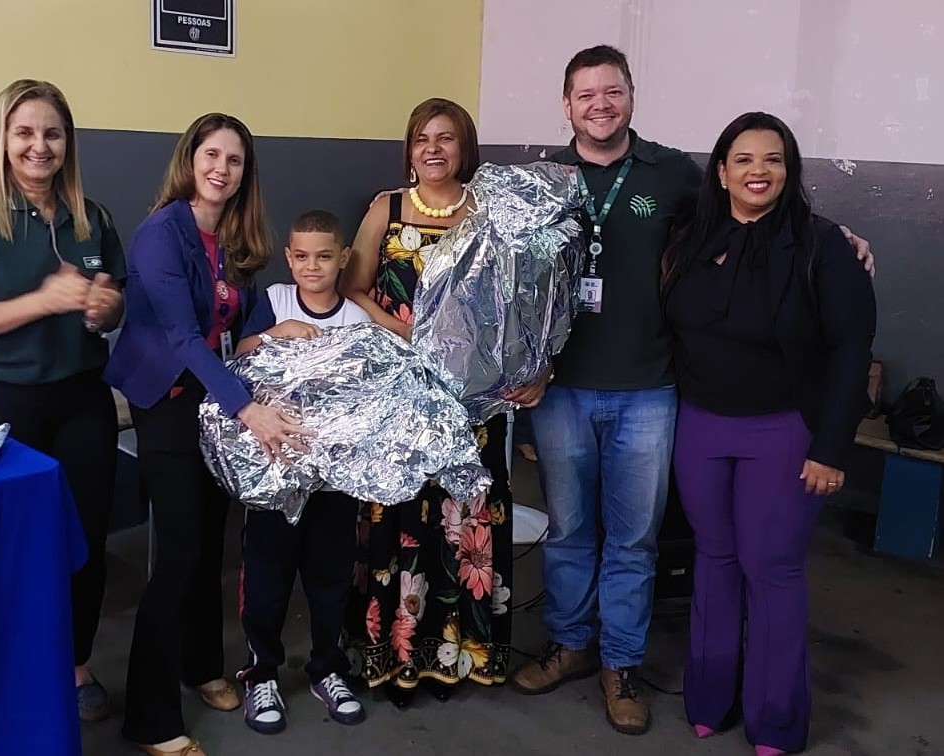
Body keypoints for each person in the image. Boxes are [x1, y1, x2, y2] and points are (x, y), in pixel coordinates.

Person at [511, 45, 876, 736]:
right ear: (566, 105)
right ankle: (569, 644)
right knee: (567, 531)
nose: (599, 105)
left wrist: (838, 238)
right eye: (585, 94)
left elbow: (755, 210)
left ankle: (622, 664)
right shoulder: (539, 182)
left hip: (650, 390)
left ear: (630, 96)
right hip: (560, 390)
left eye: (612, 91)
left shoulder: (674, 173)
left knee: (634, 540)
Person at [662, 112, 876, 756]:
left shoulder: (823, 245)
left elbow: (850, 350)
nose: (759, 171)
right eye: (744, 159)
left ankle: (776, 721)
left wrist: (831, 448)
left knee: (772, 569)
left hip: (783, 432)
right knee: (715, 560)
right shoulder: (691, 239)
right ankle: (709, 698)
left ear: (790, 170)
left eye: (773, 159)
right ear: (721, 172)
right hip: (701, 426)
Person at [104, 113, 310, 756]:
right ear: (190, 159)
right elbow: (183, 338)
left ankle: (202, 667)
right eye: (211, 154)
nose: (222, 168)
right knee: (180, 555)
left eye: (235, 160)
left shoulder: (236, 236)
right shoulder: (160, 233)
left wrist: (271, 337)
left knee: (211, 541)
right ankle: (151, 719)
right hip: (166, 397)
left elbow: (240, 326)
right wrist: (248, 410)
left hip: (212, 397)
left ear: (246, 173)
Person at [0, 78, 125, 723]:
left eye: (53, 134)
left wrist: (102, 307)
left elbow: (115, 305)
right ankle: (13, 664)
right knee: (17, 542)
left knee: (84, 539)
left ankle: (76, 664)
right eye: (26, 132)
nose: (40, 146)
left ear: (69, 142)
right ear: (3, 140)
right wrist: (44, 299)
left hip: (84, 400)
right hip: (9, 403)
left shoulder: (93, 218)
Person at [343, 98, 541, 707]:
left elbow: (521, 304)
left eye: (446, 138)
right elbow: (354, 287)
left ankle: (455, 654)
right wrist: (406, 331)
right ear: (409, 150)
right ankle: (397, 656)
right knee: (401, 517)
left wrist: (533, 367)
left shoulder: (491, 213)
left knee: (464, 519)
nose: (433, 149)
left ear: (465, 148)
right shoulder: (386, 209)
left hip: (469, 401)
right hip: (400, 394)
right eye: (421, 138)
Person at [234, 210, 371, 734]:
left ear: (343, 258)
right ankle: (261, 672)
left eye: (324, 256)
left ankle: (327, 668)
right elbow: (239, 356)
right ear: (289, 258)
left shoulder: (355, 320)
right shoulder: (275, 302)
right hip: (276, 471)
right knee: (266, 576)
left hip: (334, 478)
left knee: (331, 574)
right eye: (302, 256)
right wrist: (276, 334)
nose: (312, 266)